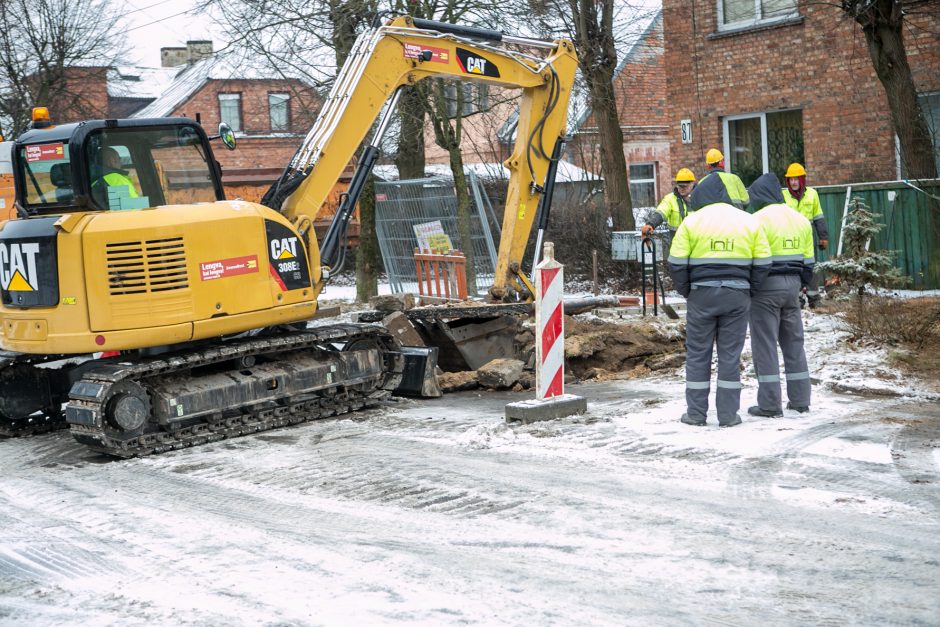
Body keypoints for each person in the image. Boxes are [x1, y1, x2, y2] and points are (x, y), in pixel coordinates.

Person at [668, 174, 771, 427]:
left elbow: (676, 263)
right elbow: (764, 262)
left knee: (698, 354)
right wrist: (749, 289)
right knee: (729, 356)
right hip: (737, 296)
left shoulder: (691, 222)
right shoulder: (748, 221)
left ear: (702, 196)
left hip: (701, 295)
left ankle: (695, 414)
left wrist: (687, 291)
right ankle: (727, 415)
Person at [746, 172, 815, 417]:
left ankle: (769, 404)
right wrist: (800, 285)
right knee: (794, 344)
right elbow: (809, 262)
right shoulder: (800, 220)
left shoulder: (756, 220)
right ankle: (800, 400)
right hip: (793, 287)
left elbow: (752, 259)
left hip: (766, 288)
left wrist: (752, 288)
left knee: (765, 345)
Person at [782, 162, 828, 308]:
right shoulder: (783, 196)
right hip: (791, 238)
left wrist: (823, 237)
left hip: (809, 238)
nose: (794, 182)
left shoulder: (812, 194)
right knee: (794, 268)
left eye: (796, 179)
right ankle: (798, 299)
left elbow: (819, 217)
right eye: (791, 179)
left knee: (811, 267)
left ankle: (814, 298)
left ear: (802, 179)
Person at [641, 167, 695, 251]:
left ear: (692, 184)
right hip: (677, 245)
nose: (682, 189)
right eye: (680, 186)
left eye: (685, 186)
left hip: (696, 244)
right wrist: (650, 224)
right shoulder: (670, 199)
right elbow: (661, 212)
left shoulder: (700, 198)